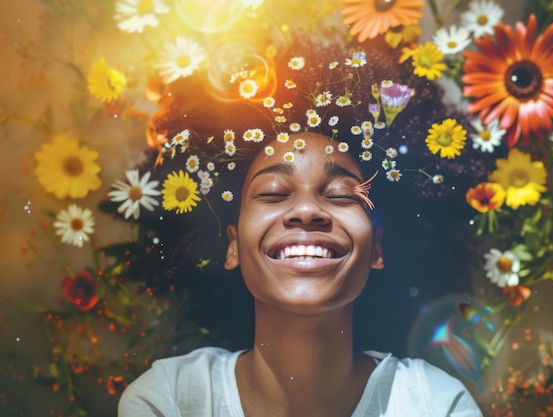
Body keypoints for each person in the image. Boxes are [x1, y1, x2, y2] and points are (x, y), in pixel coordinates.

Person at [117, 27, 487, 416]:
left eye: (343, 195)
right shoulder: (169, 398)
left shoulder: (435, 403)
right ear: (232, 246)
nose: (307, 211)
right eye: (274, 192)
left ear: (377, 248)